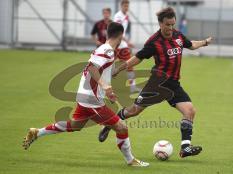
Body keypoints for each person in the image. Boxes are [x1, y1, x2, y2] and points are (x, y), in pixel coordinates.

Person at [22, 22, 149, 167]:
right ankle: (130, 160)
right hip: (91, 100)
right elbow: (91, 68)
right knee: (122, 128)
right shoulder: (107, 50)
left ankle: (37, 132)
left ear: (108, 33)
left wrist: (108, 91)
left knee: (76, 125)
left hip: (86, 96)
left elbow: (97, 70)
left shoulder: (104, 48)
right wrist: (104, 85)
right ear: (121, 36)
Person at [98, 7, 213, 158]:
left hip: (173, 85)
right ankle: (110, 123)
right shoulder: (154, 42)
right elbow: (138, 57)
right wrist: (120, 68)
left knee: (190, 111)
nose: (170, 28)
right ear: (160, 23)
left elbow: (190, 45)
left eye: (172, 24)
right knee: (134, 110)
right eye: (167, 25)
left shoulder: (178, 36)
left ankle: (185, 148)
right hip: (157, 83)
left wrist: (204, 42)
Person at [114, 0, 141, 93]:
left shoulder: (126, 16)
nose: (126, 8)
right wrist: (127, 42)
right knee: (108, 66)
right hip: (117, 44)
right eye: (125, 6)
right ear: (121, 6)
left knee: (130, 64)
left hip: (122, 45)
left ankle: (132, 87)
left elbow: (123, 31)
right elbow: (117, 32)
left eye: (127, 6)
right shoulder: (118, 16)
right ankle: (102, 85)